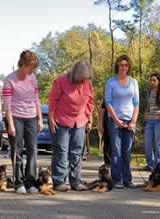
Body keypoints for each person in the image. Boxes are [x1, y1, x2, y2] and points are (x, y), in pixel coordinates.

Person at [48, 60, 94, 191]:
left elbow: (90, 102)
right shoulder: (61, 81)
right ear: (76, 74)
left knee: (77, 151)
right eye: (81, 78)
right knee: (61, 150)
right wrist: (51, 118)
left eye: (85, 79)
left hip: (80, 120)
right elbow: (53, 100)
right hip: (61, 120)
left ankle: (76, 181)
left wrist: (89, 120)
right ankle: (59, 181)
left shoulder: (88, 84)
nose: (83, 82)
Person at [3, 50, 43, 194]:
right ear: (23, 65)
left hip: (31, 117)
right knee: (17, 151)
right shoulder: (9, 80)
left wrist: (39, 119)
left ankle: (30, 182)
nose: (33, 71)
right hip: (16, 118)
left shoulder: (33, 79)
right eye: (31, 67)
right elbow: (7, 105)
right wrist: (11, 124)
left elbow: (36, 99)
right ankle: (19, 183)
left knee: (32, 150)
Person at [104, 54, 140, 189]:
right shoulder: (111, 82)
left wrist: (133, 121)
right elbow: (108, 103)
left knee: (127, 151)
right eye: (121, 65)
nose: (124, 67)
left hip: (130, 120)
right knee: (116, 150)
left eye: (126, 65)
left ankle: (127, 179)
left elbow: (136, 103)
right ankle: (117, 179)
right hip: (115, 120)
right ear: (117, 66)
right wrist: (116, 120)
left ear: (129, 67)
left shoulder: (134, 82)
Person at [98, 100, 111, 166]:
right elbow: (102, 110)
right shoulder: (108, 95)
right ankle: (107, 165)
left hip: (121, 125)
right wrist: (100, 124)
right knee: (107, 146)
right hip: (107, 124)